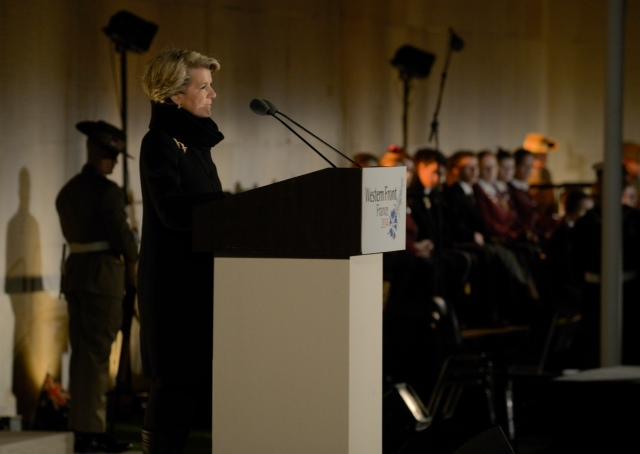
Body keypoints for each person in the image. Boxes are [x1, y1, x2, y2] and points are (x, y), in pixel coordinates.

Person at [138, 48, 225, 453]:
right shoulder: (159, 142)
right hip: (172, 286)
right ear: (175, 95)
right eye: (204, 86)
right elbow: (171, 210)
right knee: (173, 384)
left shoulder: (198, 145)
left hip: (201, 279)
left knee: (195, 386)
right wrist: (230, 209)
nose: (213, 94)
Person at [56, 120, 137, 453]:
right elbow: (124, 239)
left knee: (82, 356)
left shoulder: (70, 190)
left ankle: (83, 425)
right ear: (99, 153)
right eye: (111, 156)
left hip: (76, 274)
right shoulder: (108, 192)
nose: (114, 163)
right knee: (97, 356)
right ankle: (92, 429)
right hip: (102, 278)